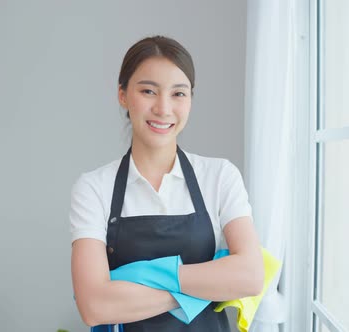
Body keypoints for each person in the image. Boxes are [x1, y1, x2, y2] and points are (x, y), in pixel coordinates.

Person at [70, 35, 264, 331]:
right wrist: (198, 291)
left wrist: (139, 275)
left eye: (178, 94)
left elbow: (250, 276)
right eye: (148, 91)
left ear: (190, 99)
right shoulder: (94, 188)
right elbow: (94, 307)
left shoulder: (220, 176)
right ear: (122, 95)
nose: (163, 108)